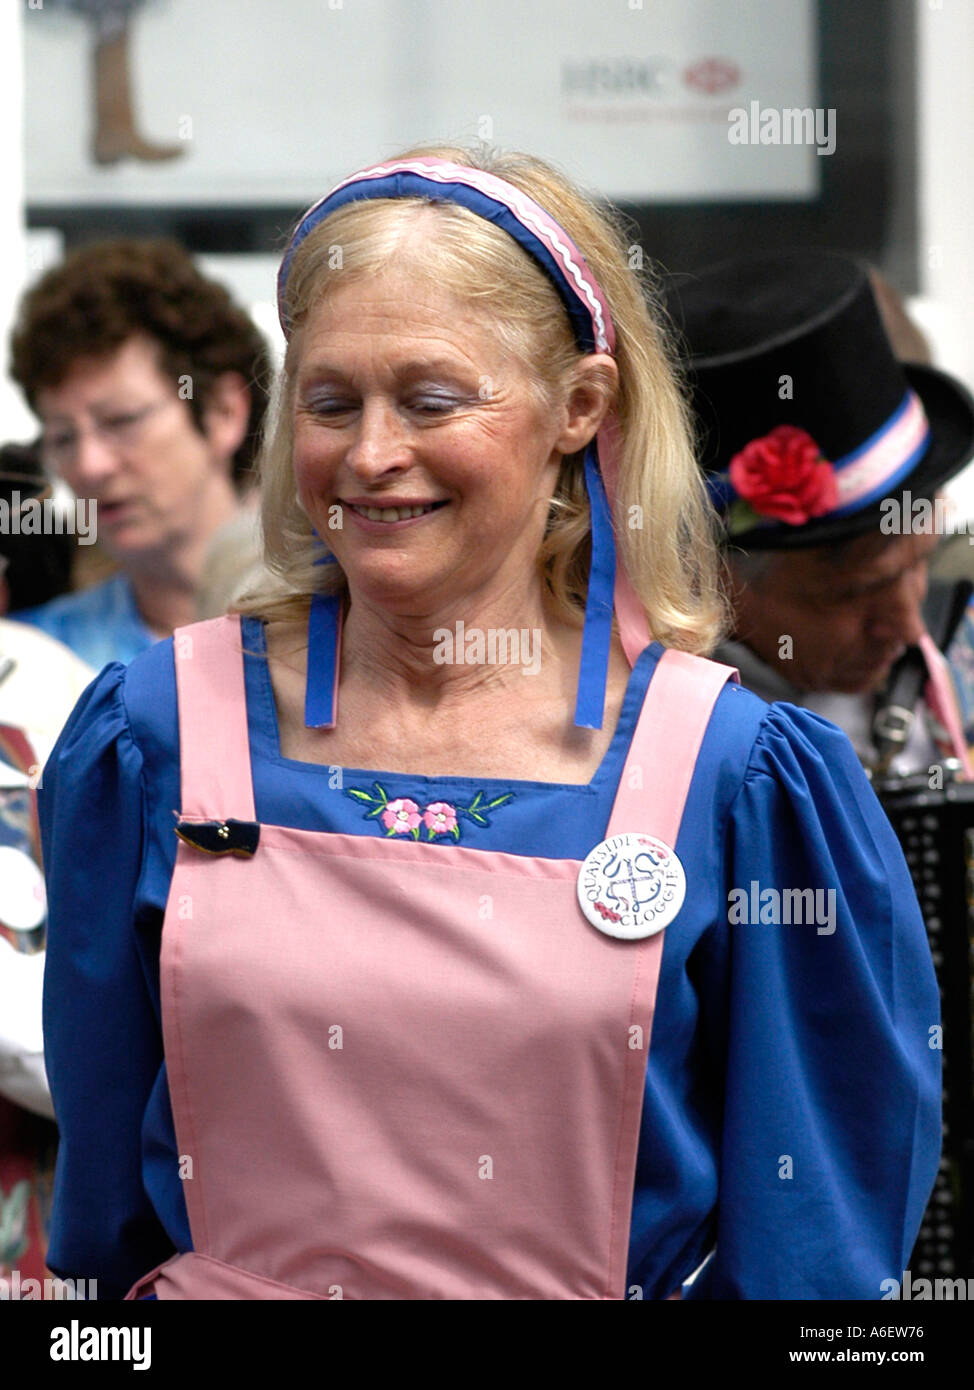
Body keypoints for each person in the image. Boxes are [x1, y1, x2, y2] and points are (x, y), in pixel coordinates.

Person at [40, 147, 940, 1301]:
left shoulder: (734, 777)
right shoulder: (153, 735)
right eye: (329, 401)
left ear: (579, 406)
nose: (370, 455)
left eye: (430, 399)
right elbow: (109, 1217)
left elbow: (810, 1249)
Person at [663, 249, 974, 776]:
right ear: (712, 578)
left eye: (920, 560)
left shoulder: (961, 635)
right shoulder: (658, 736)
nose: (907, 624)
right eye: (853, 592)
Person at [8, 238, 272, 668]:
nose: (90, 466)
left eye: (122, 420)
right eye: (63, 438)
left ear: (224, 410)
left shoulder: (340, 631)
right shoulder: (32, 665)